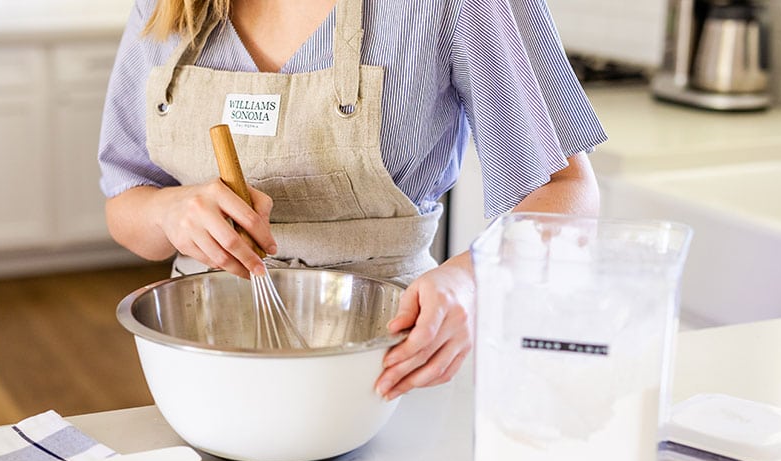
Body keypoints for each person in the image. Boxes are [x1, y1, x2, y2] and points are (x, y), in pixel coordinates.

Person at [98, 0, 605, 400]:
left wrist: (473, 281)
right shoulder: (168, 6)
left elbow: (566, 189)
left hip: (392, 364)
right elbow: (127, 201)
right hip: (203, 365)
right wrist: (168, 212)